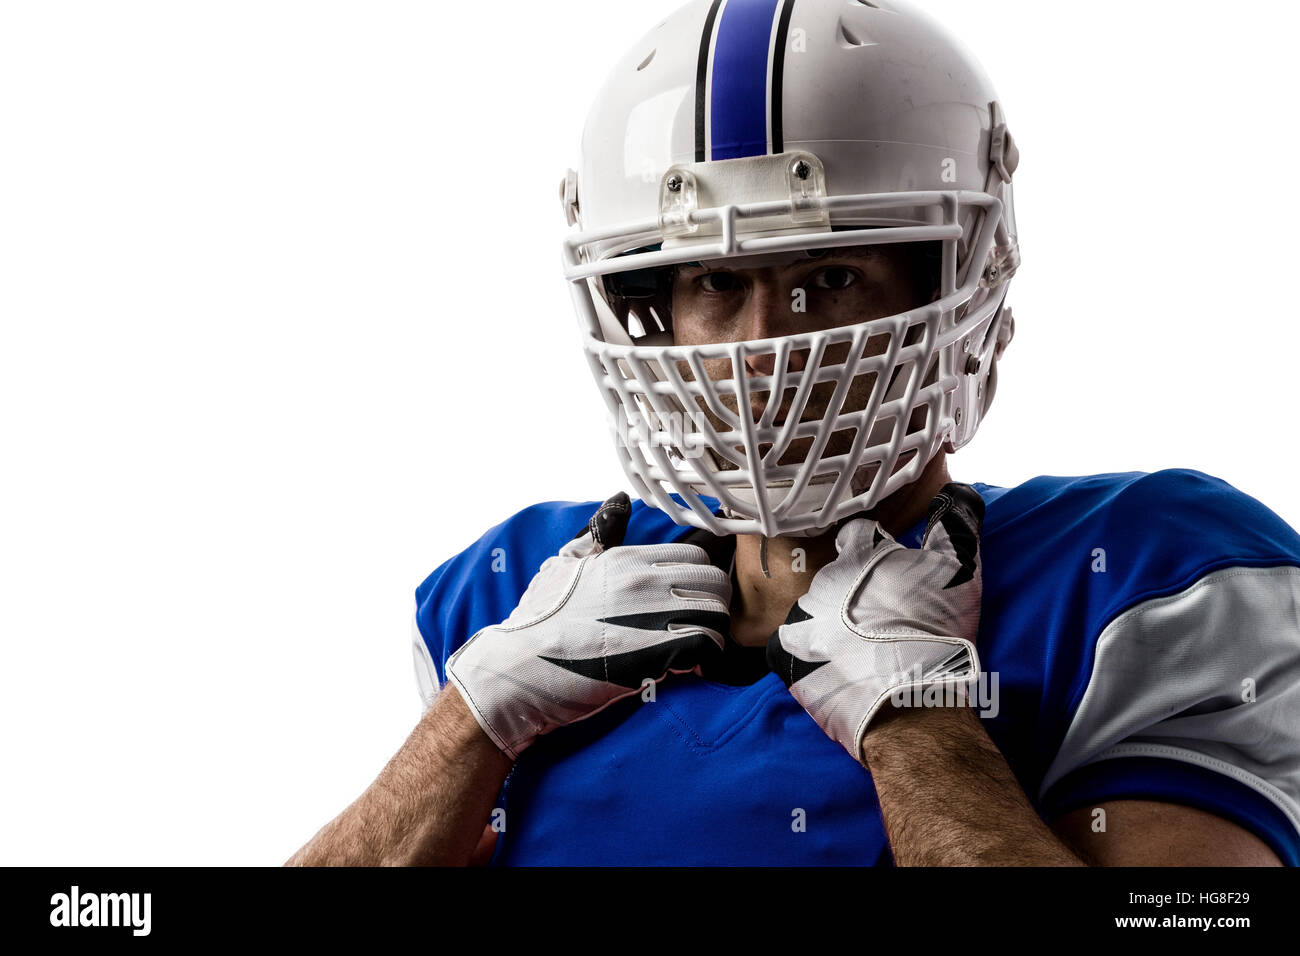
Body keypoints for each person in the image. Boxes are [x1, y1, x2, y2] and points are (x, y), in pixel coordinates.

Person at [286, 0, 1300, 866]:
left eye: (828, 278)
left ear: (951, 283)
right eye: (717, 282)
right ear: (650, 307)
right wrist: (472, 720)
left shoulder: (1135, 578)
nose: (764, 345)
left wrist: (916, 724)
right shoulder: (509, 593)